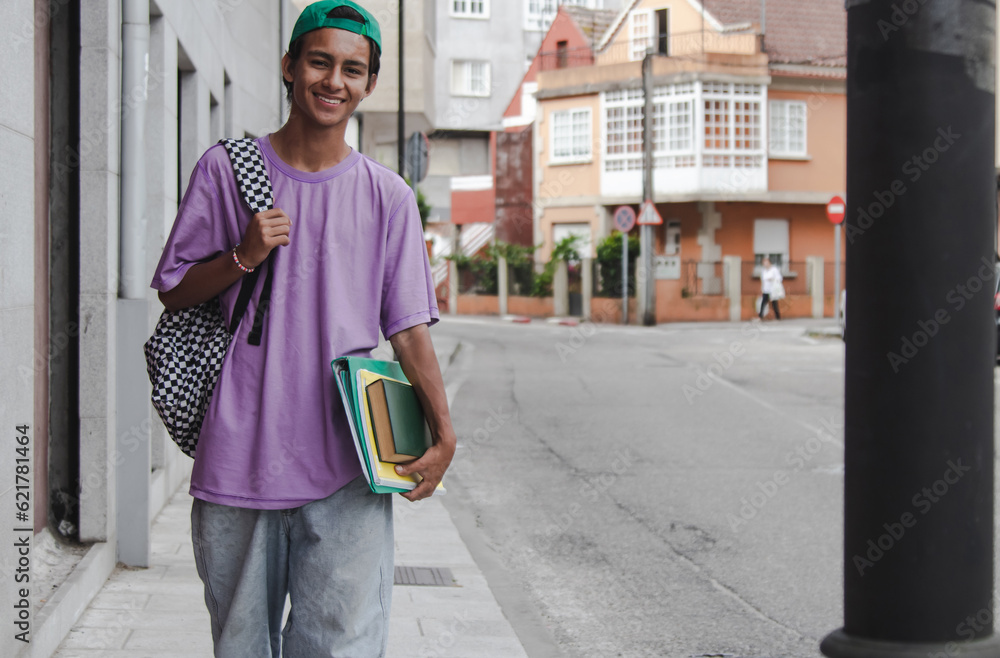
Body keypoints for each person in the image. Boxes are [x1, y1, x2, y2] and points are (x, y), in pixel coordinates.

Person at [149, 2, 456, 655]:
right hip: (240, 455)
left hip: (349, 458)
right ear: (290, 66)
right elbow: (174, 293)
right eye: (319, 61)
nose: (334, 81)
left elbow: (408, 330)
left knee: (342, 644)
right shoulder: (227, 171)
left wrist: (444, 433)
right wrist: (243, 255)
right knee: (241, 646)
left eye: (352, 69)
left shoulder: (388, 197)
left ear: (369, 84)